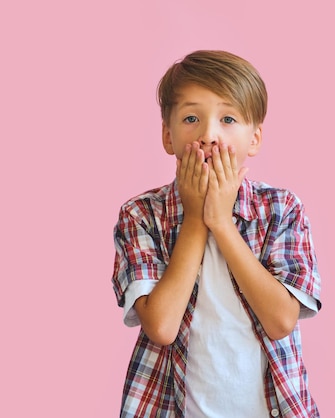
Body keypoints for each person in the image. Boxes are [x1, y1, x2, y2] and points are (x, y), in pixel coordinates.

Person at [111, 50, 322, 418]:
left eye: (227, 119)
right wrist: (195, 219)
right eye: (191, 118)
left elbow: (280, 321)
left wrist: (222, 223)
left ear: (254, 138)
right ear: (168, 135)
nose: (209, 134)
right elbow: (161, 326)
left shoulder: (282, 209)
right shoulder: (141, 215)